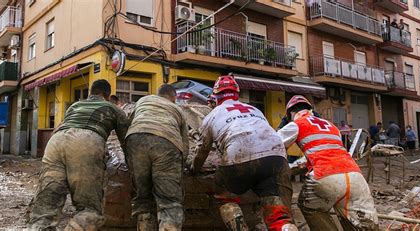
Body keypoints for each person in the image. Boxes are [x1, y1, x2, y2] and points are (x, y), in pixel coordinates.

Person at [188, 75, 297, 231]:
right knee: (276, 209)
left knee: (224, 196)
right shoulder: (255, 109)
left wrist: (193, 167)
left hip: (239, 155)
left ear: (216, 97)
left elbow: (202, 151)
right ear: (237, 94)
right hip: (276, 156)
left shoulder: (212, 115)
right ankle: (284, 225)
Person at [28, 79, 130, 230]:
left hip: (55, 143)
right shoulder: (113, 108)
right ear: (108, 95)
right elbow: (126, 141)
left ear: (90, 93)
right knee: (90, 211)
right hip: (86, 142)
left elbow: (61, 127)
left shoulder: (75, 106)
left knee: (45, 208)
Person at [278, 95, 378, 230]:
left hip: (325, 175)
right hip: (355, 176)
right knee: (361, 223)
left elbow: (273, 144)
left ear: (291, 113)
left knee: (308, 206)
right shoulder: (332, 127)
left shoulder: (296, 124)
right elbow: (328, 151)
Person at [125, 84, 189, 230]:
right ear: (174, 97)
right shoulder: (177, 109)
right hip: (166, 141)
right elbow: (185, 146)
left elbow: (128, 124)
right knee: (170, 203)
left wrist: (128, 157)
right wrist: (180, 167)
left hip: (135, 139)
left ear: (157, 94)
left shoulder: (143, 100)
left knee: (143, 197)